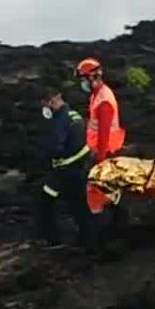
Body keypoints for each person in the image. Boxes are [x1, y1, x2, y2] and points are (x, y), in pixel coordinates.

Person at [39, 89, 96, 253]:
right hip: (79, 168)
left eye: (45, 105)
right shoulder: (75, 115)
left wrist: (47, 153)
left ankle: (54, 240)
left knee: (46, 202)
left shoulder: (60, 121)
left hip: (65, 172)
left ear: (51, 101)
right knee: (79, 207)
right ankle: (88, 242)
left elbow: (56, 147)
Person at [76, 57, 125, 163]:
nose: (82, 83)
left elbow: (104, 133)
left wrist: (100, 160)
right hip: (97, 148)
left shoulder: (104, 102)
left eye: (83, 80)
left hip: (106, 151)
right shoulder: (96, 94)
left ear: (93, 77)